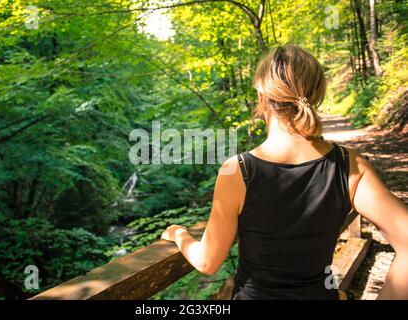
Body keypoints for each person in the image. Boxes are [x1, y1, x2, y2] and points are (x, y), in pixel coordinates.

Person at [160, 45, 408, 300]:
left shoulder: (237, 171)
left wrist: (180, 234)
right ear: (318, 94)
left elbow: (207, 262)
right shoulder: (349, 164)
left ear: (261, 95)